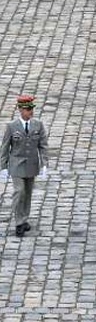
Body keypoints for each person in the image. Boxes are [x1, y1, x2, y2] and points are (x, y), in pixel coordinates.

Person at [0, 95, 49, 237]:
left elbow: (43, 145)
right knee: (19, 191)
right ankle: (18, 222)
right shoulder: (12, 126)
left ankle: (24, 219)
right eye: (27, 109)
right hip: (16, 164)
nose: (30, 112)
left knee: (27, 194)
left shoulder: (38, 125)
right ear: (20, 110)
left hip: (32, 164)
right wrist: (3, 166)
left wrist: (44, 164)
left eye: (31, 109)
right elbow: (5, 147)